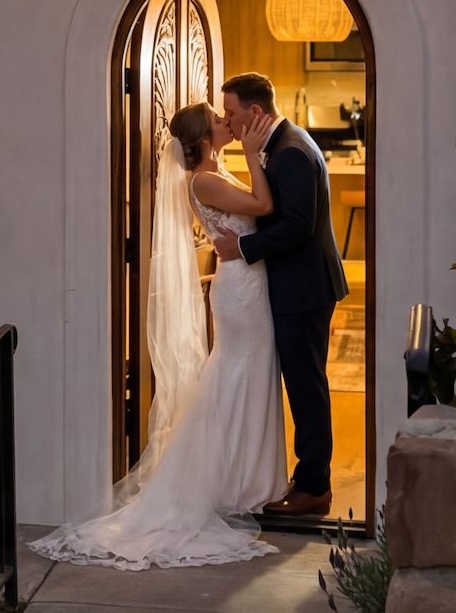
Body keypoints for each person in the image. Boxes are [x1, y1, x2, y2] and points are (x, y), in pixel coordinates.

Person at [29, 100, 286, 570]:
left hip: (248, 284)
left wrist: (249, 157)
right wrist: (253, 153)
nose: (227, 122)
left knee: (249, 374)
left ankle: (246, 480)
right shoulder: (204, 180)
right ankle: (227, 483)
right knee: (235, 375)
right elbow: (264, 206)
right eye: (218, 120)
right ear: (205, 136)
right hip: (240, 293)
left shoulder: (213, 172)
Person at [205, 72, 348, 518]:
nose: (227, 121)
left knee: (306, 387)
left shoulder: (289, 154)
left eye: (230, 112)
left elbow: (297, 225)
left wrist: (242, 247)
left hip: (303, 288)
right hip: (299, 284)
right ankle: (308, 479)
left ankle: (313, 488)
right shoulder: (288, 141)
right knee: (304, 384)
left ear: (254, 112)